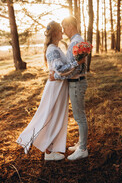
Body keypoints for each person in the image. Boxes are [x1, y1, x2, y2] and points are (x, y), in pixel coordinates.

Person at [16, 21, 81, 161]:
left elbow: (60, 70)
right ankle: (48, 151)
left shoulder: (55, 48)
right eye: (60, 30)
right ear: (55, 33)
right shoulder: (52, 49)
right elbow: (60, 69)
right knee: (50, 116)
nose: (63, 33)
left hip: (59, 87)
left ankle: (51, 148)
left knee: (56, 117)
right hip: (55, 88)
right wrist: (77, 62)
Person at [50, 16, 88, 161]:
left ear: (71, 26)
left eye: (65, 28)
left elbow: (74, 69)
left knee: (80, 117)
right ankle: (80, 143)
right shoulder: (77, 41)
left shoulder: (76, 43)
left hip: (77, 82)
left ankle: (83, 149)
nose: (64, 31)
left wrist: (57, 77)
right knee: (79, 115)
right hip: (77, 82)